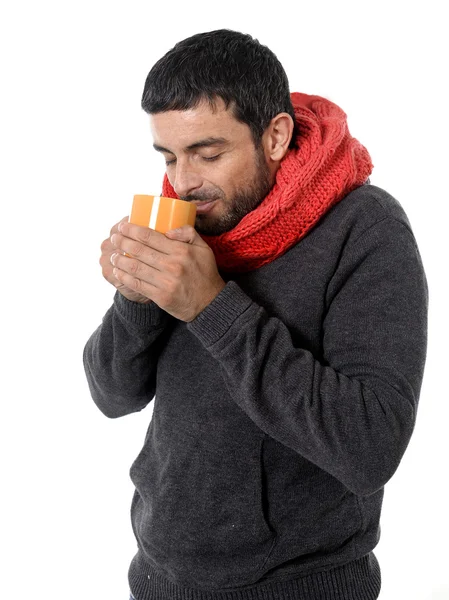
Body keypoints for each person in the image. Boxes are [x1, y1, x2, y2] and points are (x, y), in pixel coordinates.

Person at [83, 29, 428, 600]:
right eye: (168, 156)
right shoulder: (182, 217)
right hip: (157, 579)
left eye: (208, 153)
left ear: (275, 135)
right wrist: (138, 296)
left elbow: (370, 448)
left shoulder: (366, 229)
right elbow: (111, 396)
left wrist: (211, 305)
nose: (184, 181)